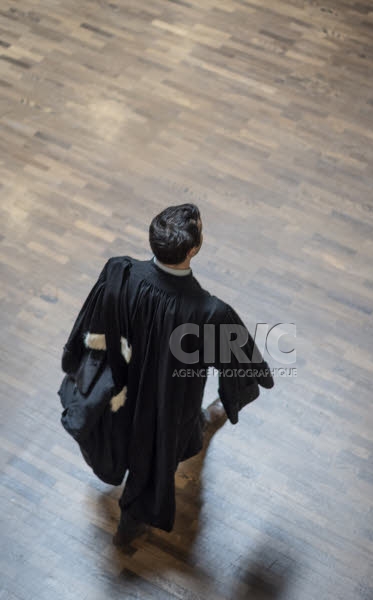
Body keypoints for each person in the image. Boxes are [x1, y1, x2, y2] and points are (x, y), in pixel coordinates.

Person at [60, 203, 274, 546]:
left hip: (120, 389)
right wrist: (239, 392)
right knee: (158, 452)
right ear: (193, 249)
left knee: (128, 435)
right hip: (167, 404)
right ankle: (131, 520)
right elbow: (243, 366)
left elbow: (87, 327)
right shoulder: (209, 312)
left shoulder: (120, 273)